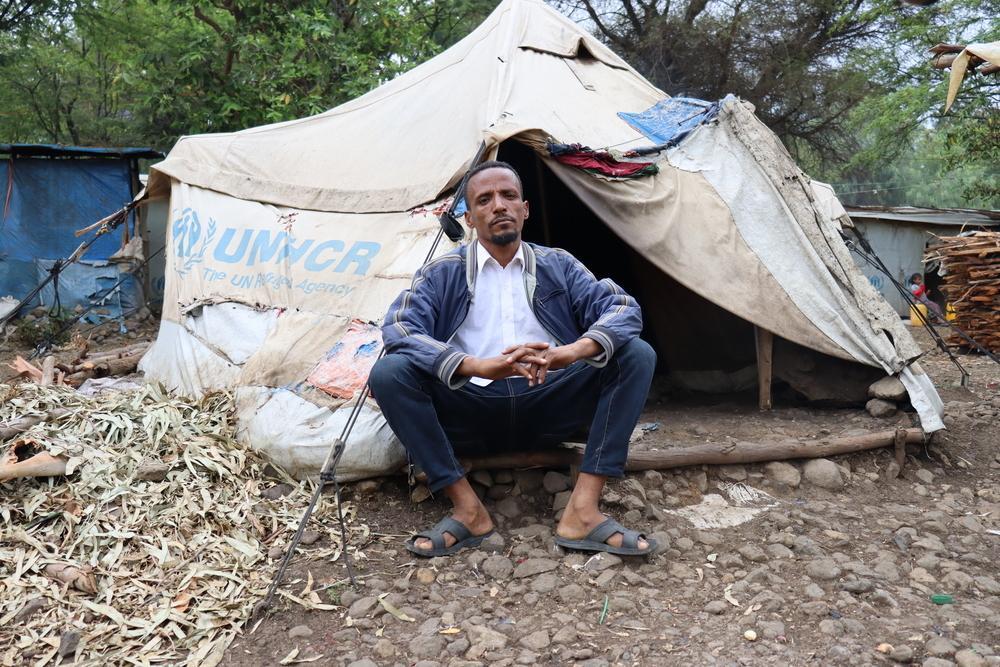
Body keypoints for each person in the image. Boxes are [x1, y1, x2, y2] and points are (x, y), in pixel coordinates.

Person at [369, 160, 657, 558]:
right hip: (472, 406)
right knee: (389, 372)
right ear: (469, 218)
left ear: (525, 209)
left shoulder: (559, 264)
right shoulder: (441, 273)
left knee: (635, 355)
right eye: (484, 200)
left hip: (549, 402)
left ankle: (583, 510)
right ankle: (467, 509)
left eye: (507, 196)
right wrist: (476, 366)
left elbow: (623, 309)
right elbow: (399, 329)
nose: (498, 206)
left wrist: (569, 353)